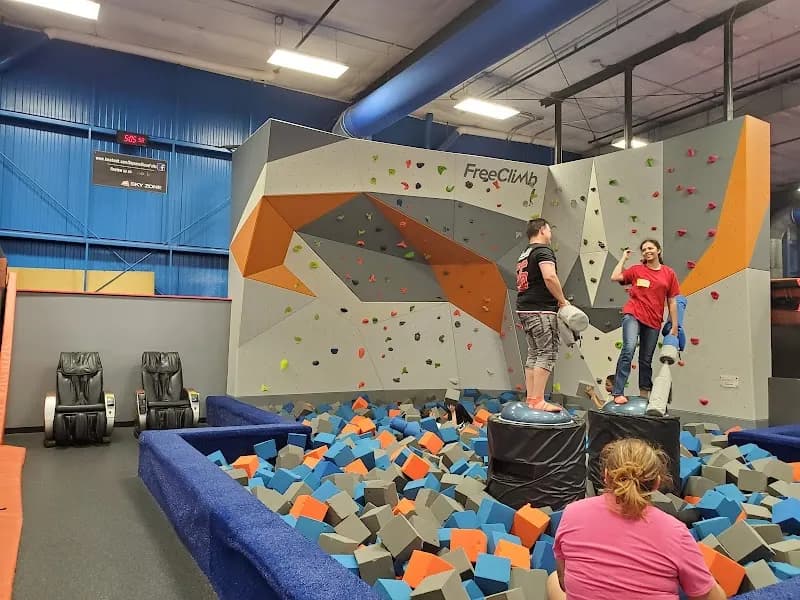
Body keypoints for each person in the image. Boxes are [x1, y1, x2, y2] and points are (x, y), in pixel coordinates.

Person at [547, 438, 725, 600]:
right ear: (656, 483)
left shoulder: (572, 513)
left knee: (553, 579)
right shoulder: (675, 531)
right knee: (700, 584)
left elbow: (564, 581)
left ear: (606, 476)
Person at [610, 239, 679, 405]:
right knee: (629, 348)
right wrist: (623, 259)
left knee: (646, 359)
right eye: (644, 249)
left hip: (654, 320)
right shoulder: (636, 270)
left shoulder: (668, 273)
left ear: (658, 250)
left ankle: (644, 393)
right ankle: (618, 391)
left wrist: (674, 325)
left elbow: (672, 301)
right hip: (633, 314)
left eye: (650, 248)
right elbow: (614, 277)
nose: (647, 251)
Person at [515, 218, 570, 412]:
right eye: (549, 229)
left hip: (525, 308)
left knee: (535, 352)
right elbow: (549, 276)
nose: (551, 234)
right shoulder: (543, 251)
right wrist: (562, 301)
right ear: (542, 230)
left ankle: (531, 398)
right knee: (547, 352)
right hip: (541, 309)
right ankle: (538, 399)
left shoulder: (524, 254)